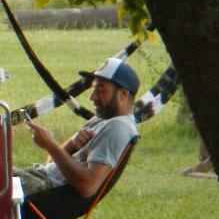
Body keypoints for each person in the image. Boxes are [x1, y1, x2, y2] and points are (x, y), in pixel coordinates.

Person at [18, 57, 140, 202]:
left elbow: (88, 186)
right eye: (93, 89)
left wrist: (50, 145)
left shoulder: (119, 127)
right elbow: (51, 163)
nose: (92, 97)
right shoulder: (101, 118)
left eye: (100, 89)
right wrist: (73, 143)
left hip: (43, 188)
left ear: (123, 94)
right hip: (38, 177)